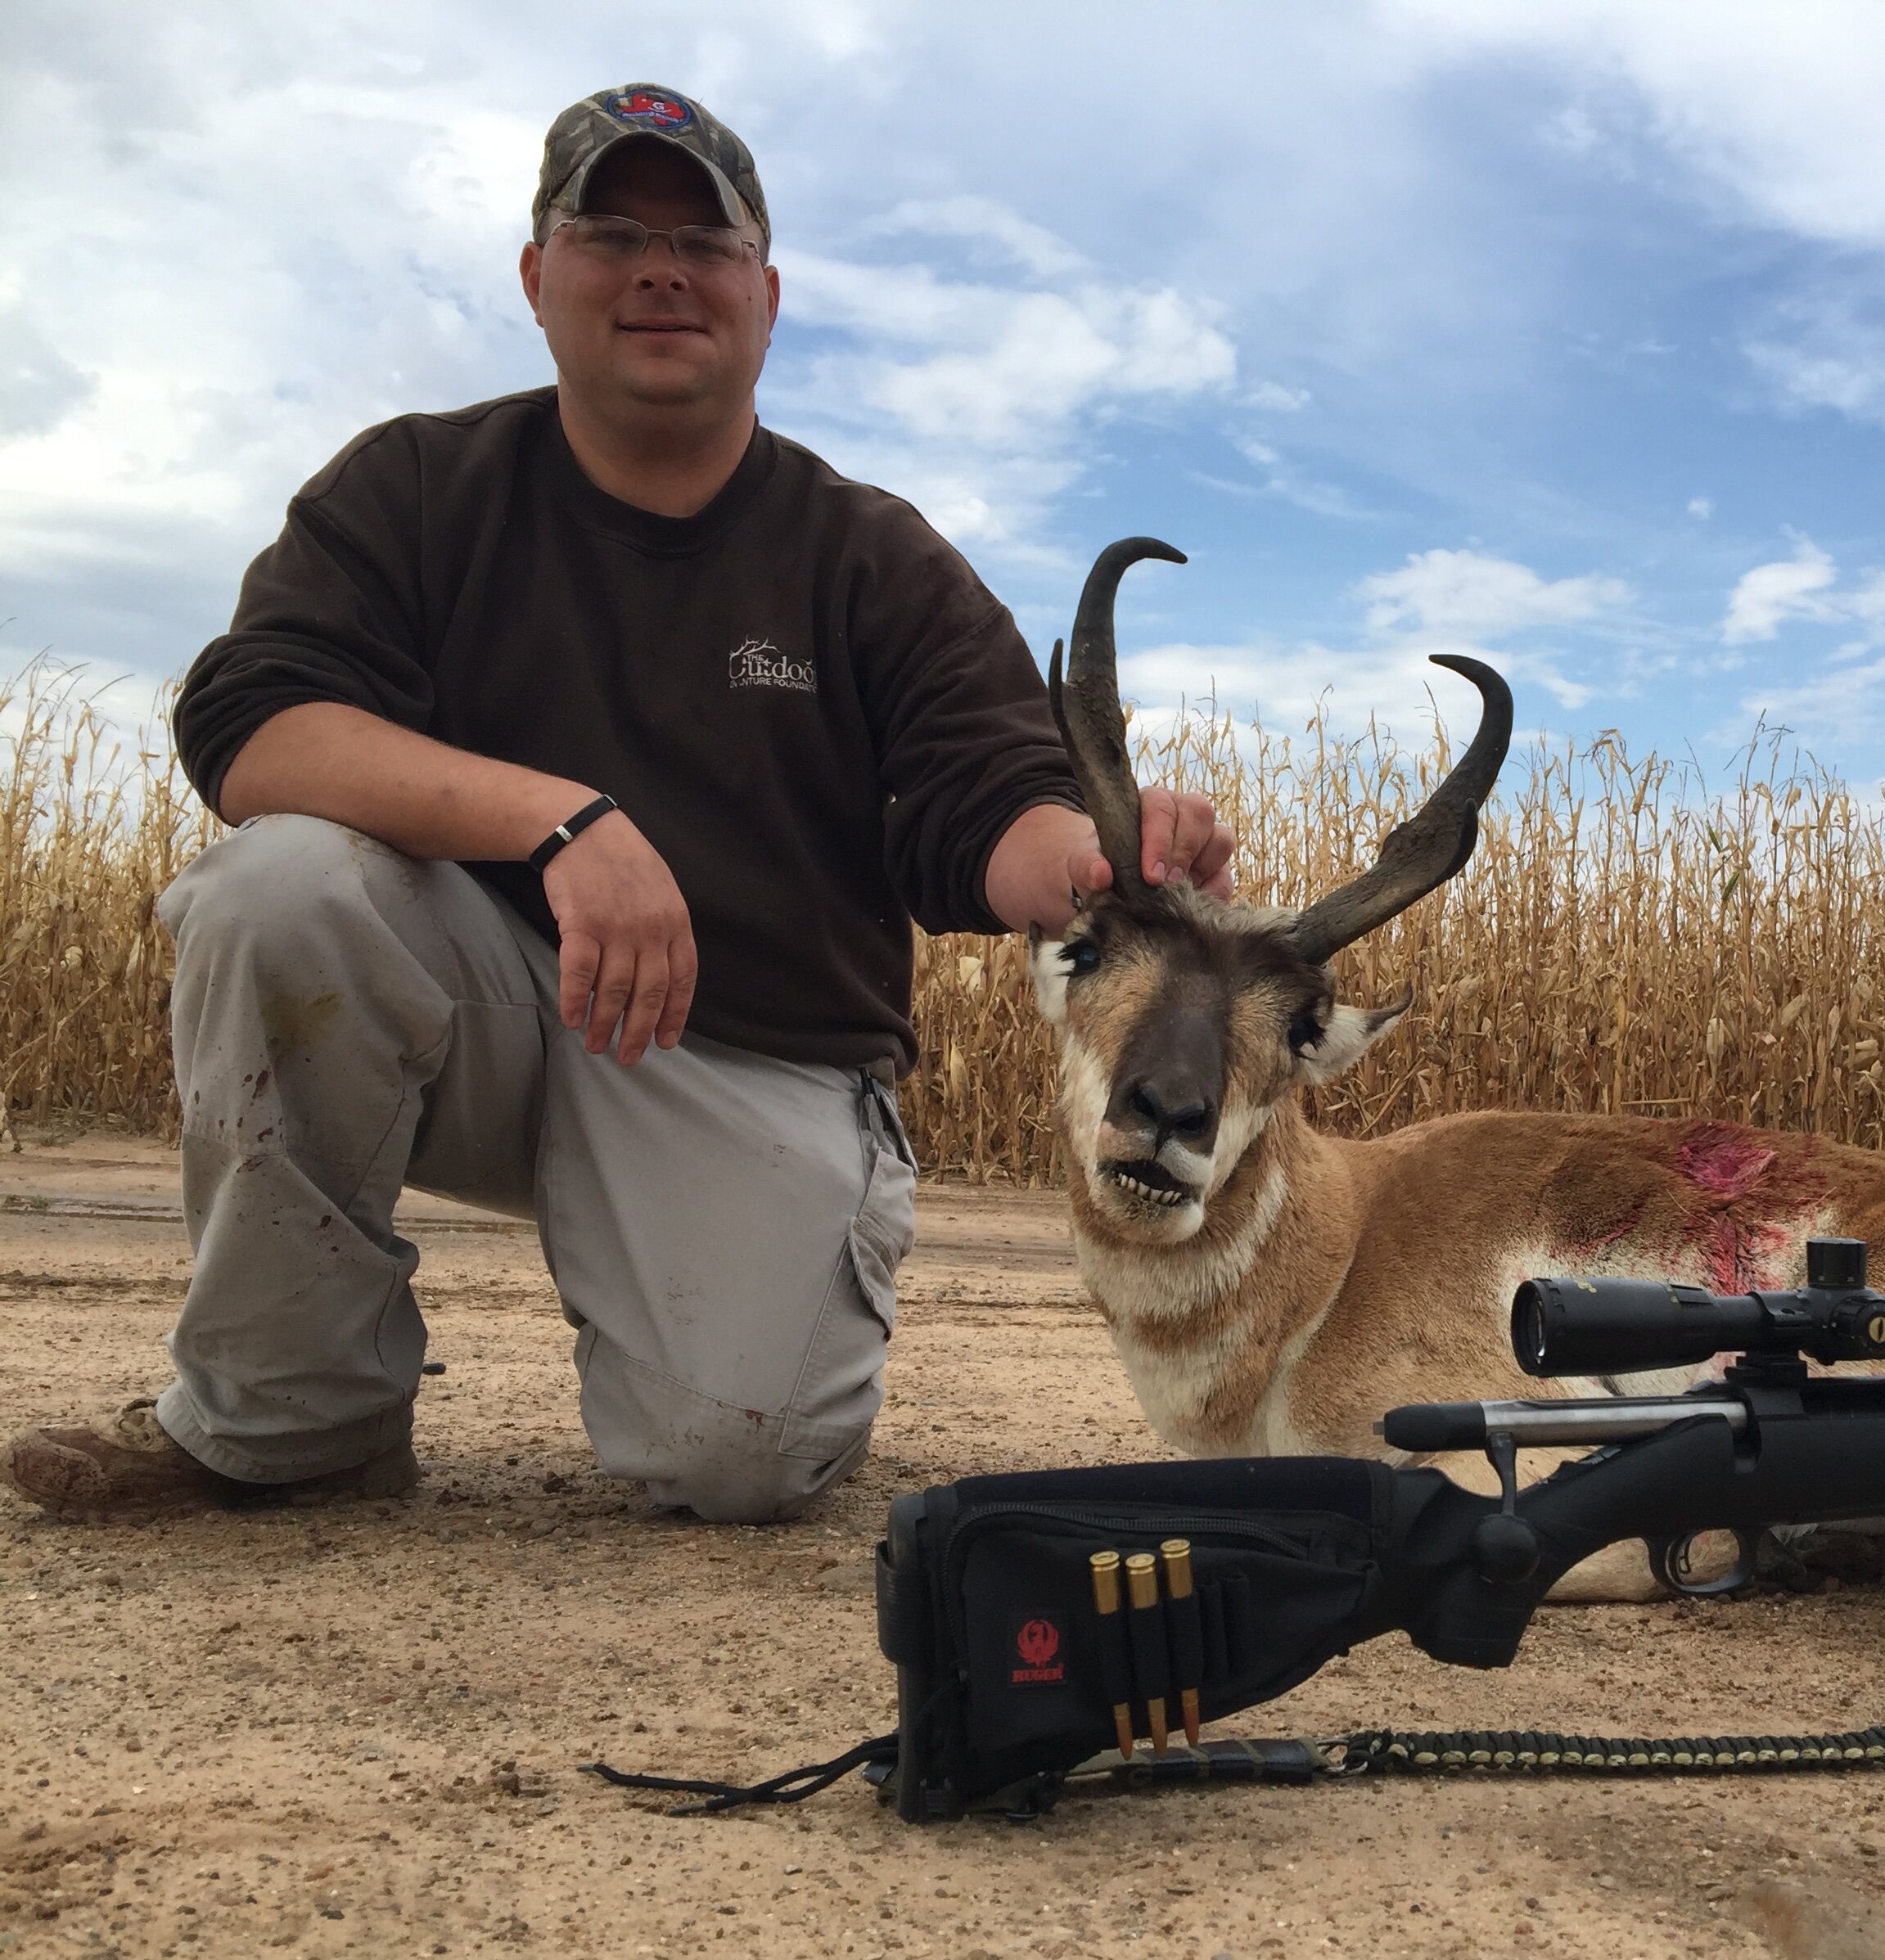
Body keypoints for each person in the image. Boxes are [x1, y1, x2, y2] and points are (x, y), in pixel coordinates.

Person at [2, 82, 1231, 1525]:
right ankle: (292, 1424)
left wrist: (1097, 856)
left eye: (703, 244)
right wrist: (557, 818)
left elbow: (988, 808)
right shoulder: (416, 487)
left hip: (751, 1055)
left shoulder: (870, 557)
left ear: (766, 299)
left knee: (741, 1462)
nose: (660, 269)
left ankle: (710, 1273)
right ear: (537, 277)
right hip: (487, 1020)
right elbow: (253, 725)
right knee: (280, 895)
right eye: (610, 230)